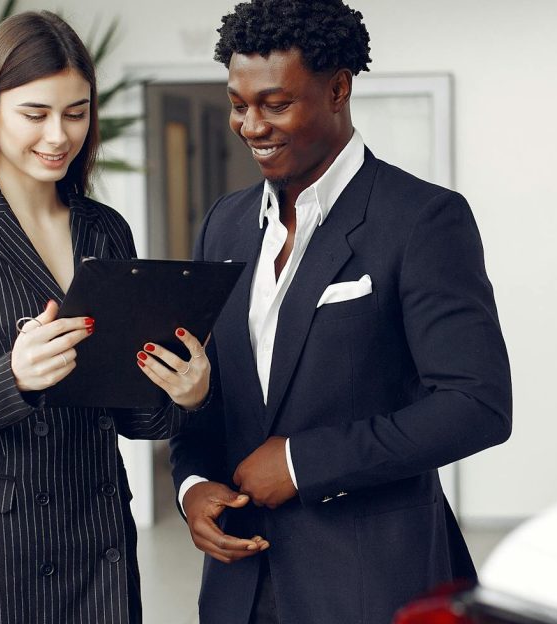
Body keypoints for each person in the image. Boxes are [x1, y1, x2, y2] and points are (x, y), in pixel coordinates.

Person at [168, 1, 513, 622]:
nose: (251, 125)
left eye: (275, 104)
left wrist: (304, 463)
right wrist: (193, 487)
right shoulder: (225, 224)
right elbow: (211, 394)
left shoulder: (423, 220)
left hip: (369, 580)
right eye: (238, 104)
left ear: (337, 89)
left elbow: (477, 405)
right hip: (239, 585)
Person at [0, 11, 209, 624]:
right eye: (35, 114)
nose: (59, 135)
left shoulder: (104, 229)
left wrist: (185, 393)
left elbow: (135, 413)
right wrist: (14, 376)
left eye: (76, 112)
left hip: (99, 538)